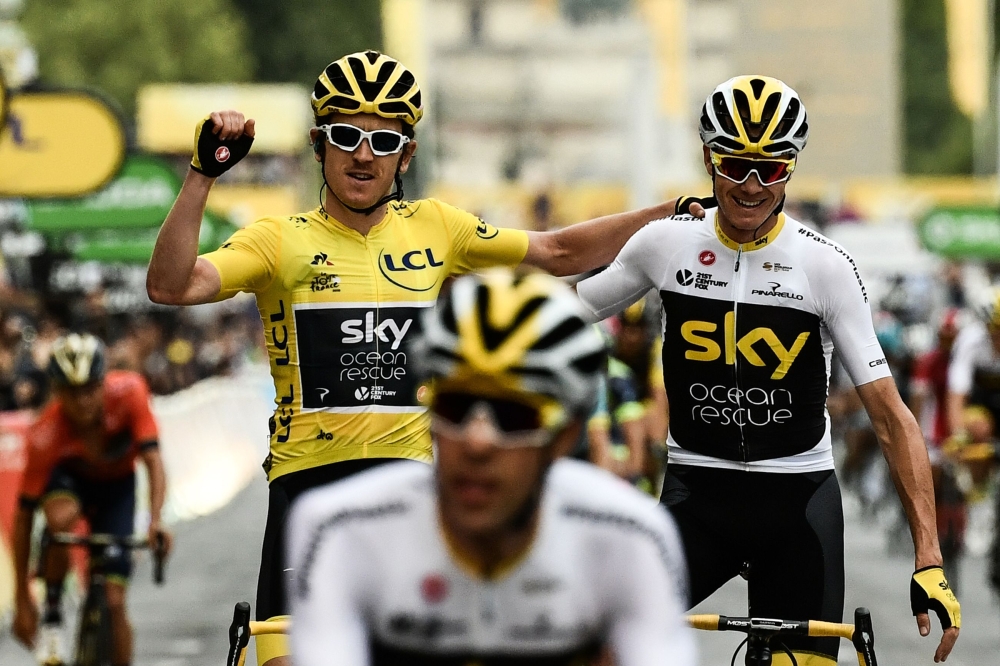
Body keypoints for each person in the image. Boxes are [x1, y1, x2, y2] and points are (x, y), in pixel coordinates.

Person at [144, 49, 704, 664]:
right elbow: (173, 285)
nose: (363, 154)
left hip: (414, 486)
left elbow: (557, 252)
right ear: (318, 144)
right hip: (306, 489)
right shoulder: (279, 239)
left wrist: (664, 214)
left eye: (384, 142)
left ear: (407, 155)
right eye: (347, 136)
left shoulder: (438, 226)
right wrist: (202, 176)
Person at [576, 75, 960, 665]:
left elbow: (891, 417)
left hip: (796, 505)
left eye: (772, 168)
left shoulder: (825, 266)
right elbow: (561, 316)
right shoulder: (663, 245)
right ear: (709, 158)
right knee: (597, 644)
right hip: (696, 496)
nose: (751, 185)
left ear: (791, 170)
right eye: (735, 165)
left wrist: (929, 558)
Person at [286, 269, 695, 666]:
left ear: (565, 436)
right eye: (455, 408)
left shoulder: (631, 537)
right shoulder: (340, 529)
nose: (478, 443)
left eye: (513, 416)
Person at [11, 333, 172, 666]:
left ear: (103, 382)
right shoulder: (45, 432)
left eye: (90, 389)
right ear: (57, 392)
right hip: (71, 483)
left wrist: (156, 520)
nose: (82, 401)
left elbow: (154, 463)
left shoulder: (130, 393)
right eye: (72, 392)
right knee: (60, 520)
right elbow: (23, 517)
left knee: (114, 602)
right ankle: (53, 612)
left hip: (118, 490)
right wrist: (22, 600)